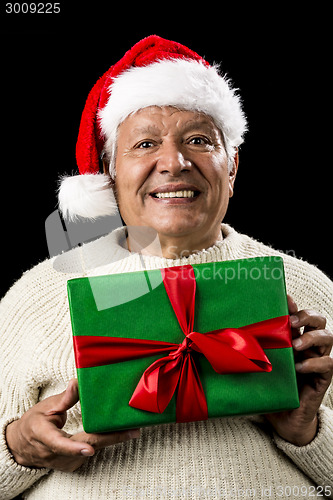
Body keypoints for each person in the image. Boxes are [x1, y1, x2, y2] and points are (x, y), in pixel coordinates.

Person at [1, 35, 332, 499]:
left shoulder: (308, 289)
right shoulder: (40, 292)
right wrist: (18, 447)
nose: (174, 163)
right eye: (144, 144)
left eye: (198, 140)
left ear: (232, 166)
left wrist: (307, 431)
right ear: (110, 173)